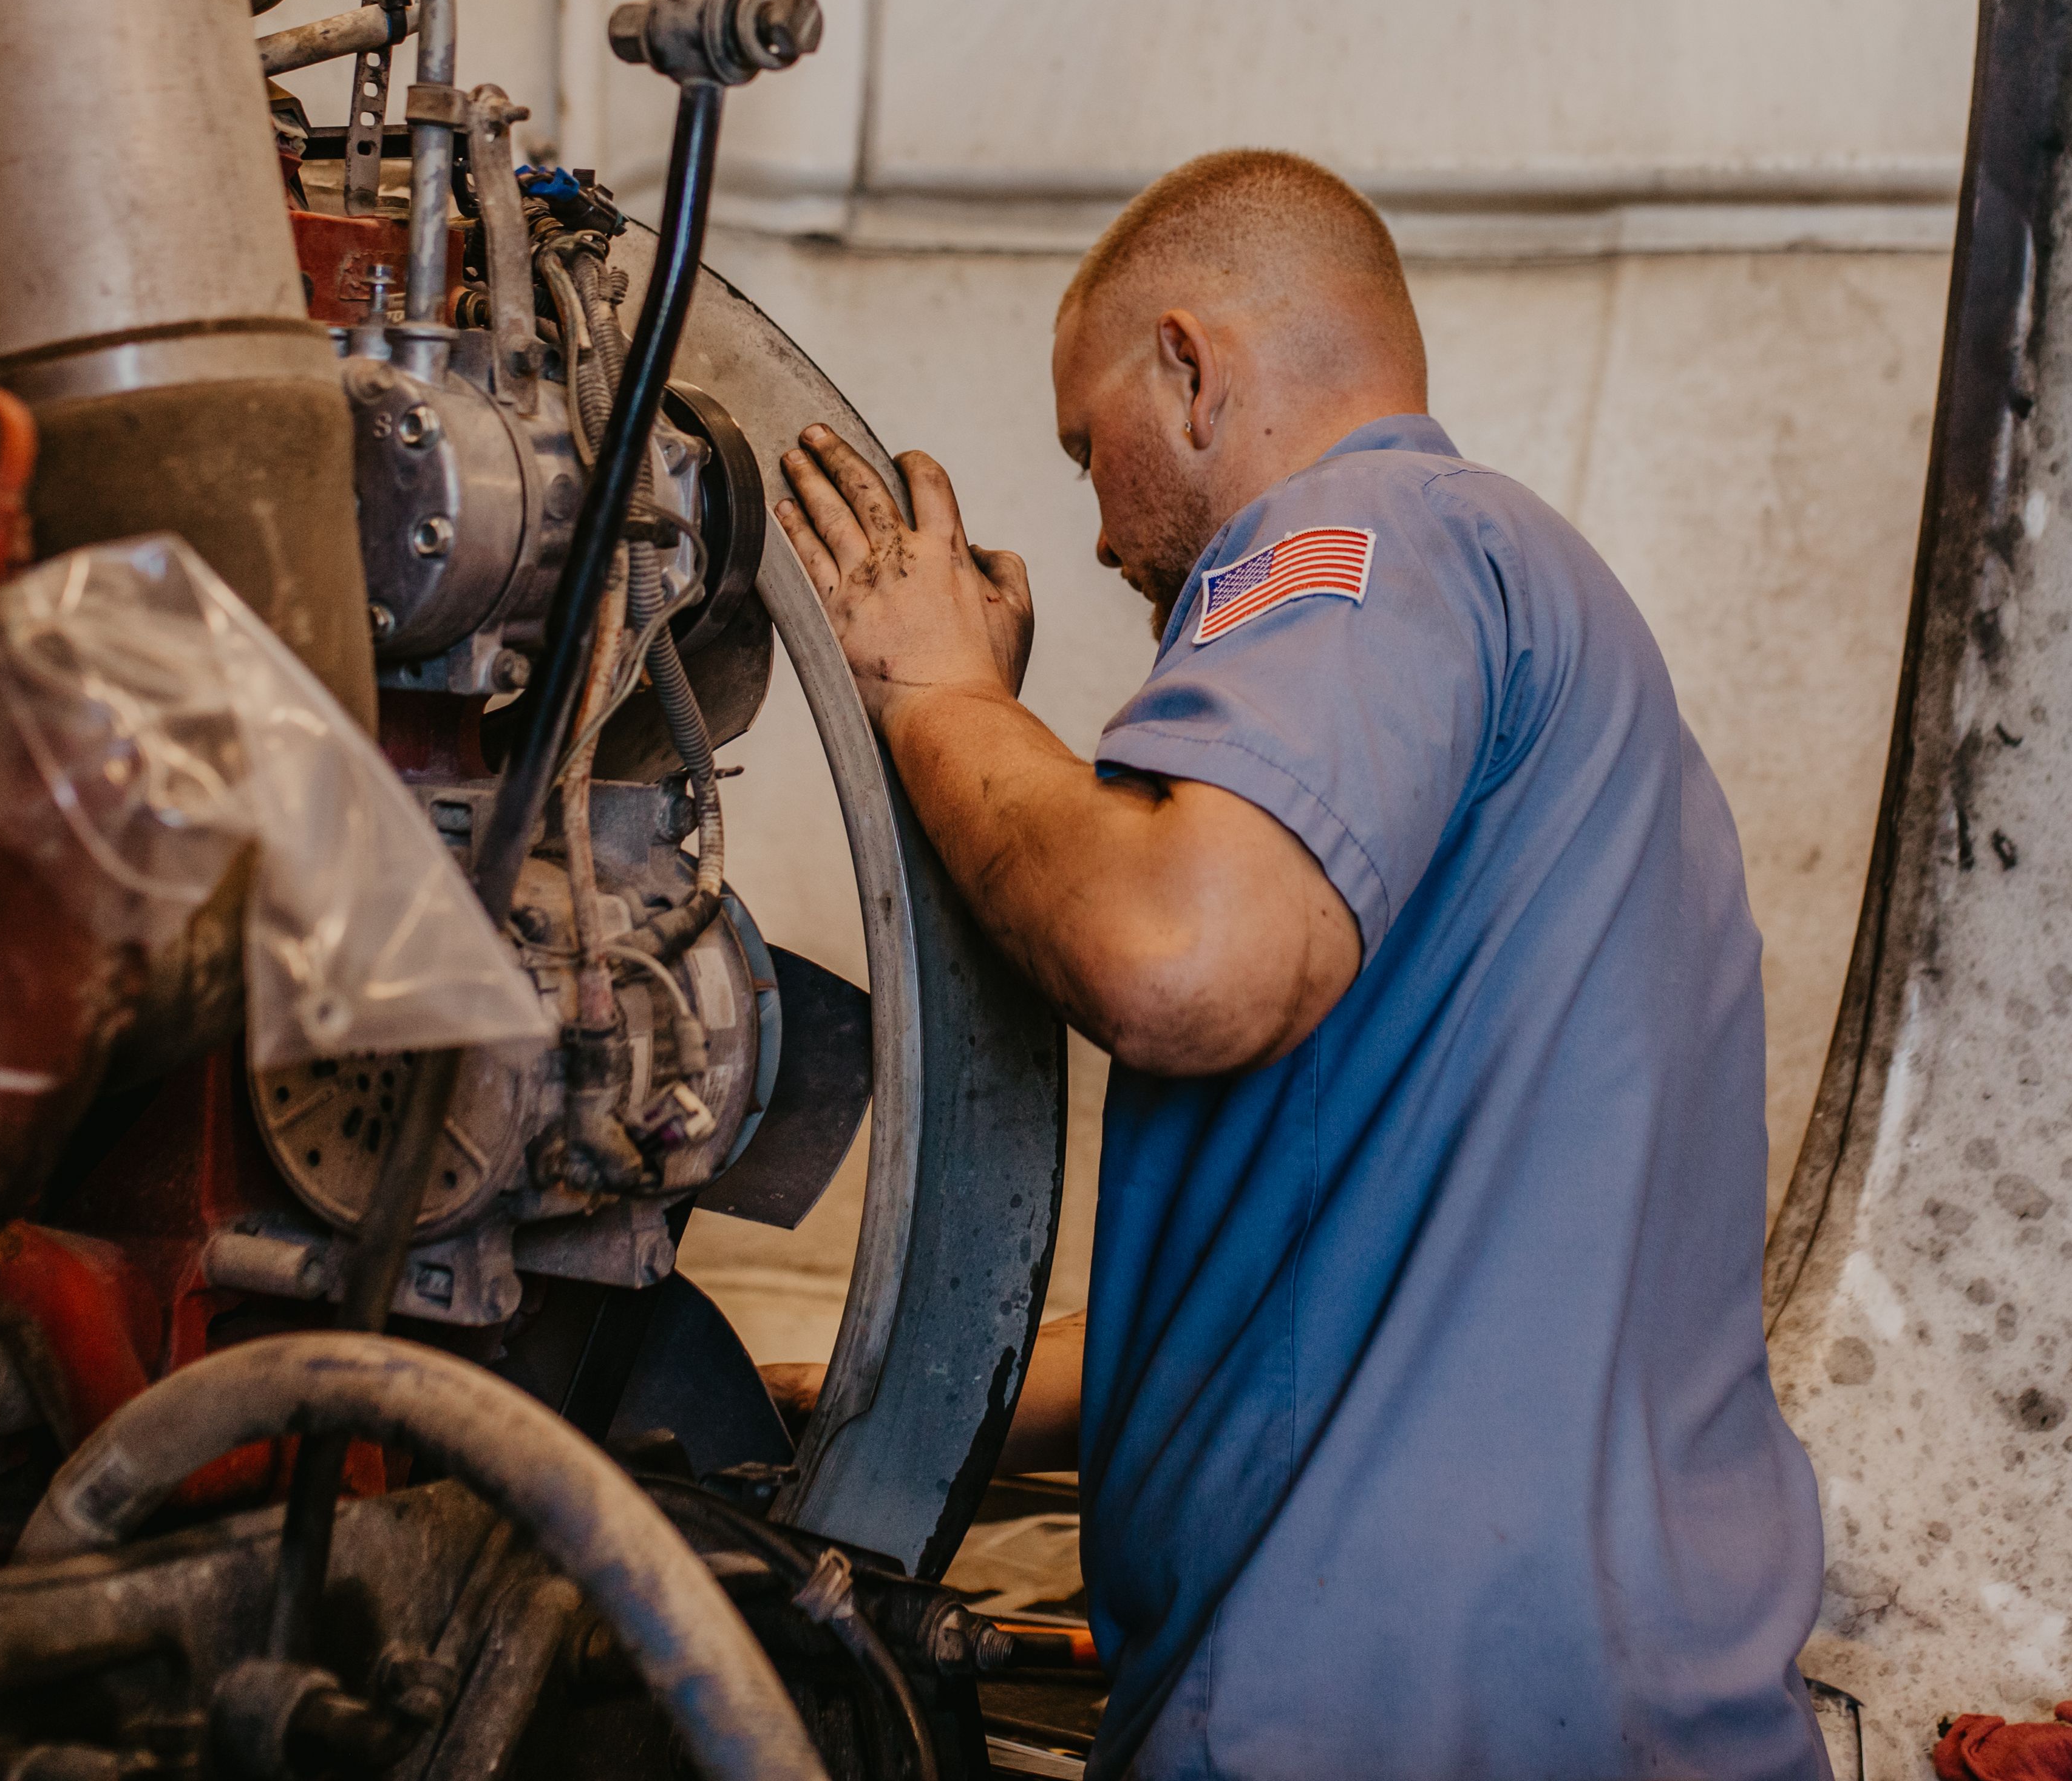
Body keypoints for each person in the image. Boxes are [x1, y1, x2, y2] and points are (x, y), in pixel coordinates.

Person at [763, 148, 1829, 1779]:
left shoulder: (1356, 535)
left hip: (1377, 1713)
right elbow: (1297, 1317)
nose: (1105, 524)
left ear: (1190, 369)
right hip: (1596, 1701)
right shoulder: (1533, 636)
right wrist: (832, 1394)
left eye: (1087, 442)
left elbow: (1182, 962)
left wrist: (937, 699)